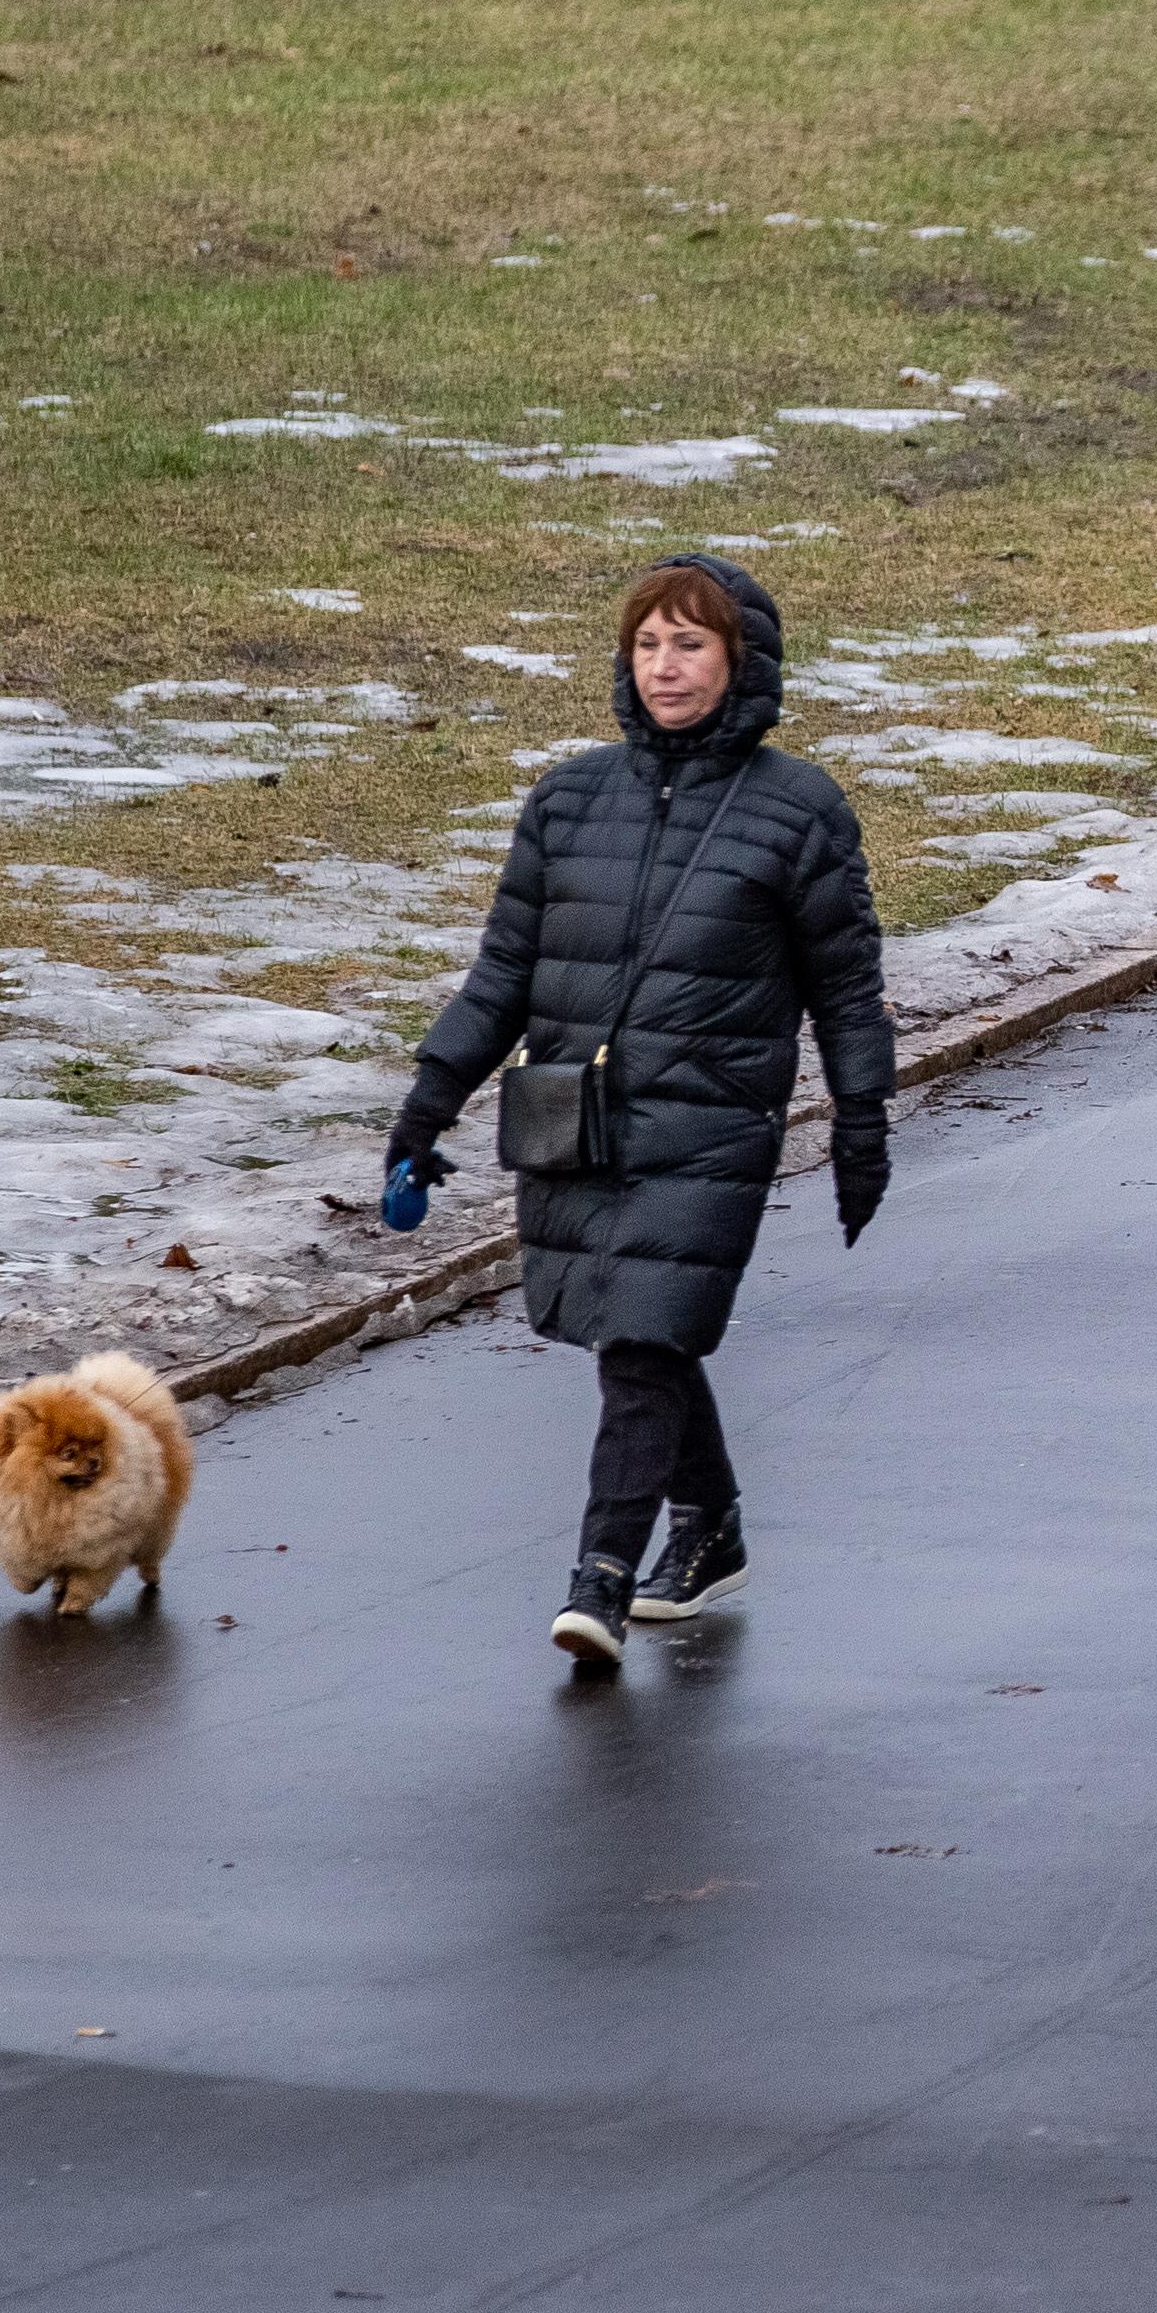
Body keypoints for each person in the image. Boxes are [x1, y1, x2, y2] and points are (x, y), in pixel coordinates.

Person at [387, 555, 896, 1672]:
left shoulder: (798, 812)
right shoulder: (568, 800)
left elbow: (847, 989)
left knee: (644, 1342)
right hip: (576, 1120)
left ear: (741, 662)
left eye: (691, 645)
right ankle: (707, 1531)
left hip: (709, 1128)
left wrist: (863, 1121)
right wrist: (430, 1102)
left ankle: (601, 1578)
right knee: (638, 1336)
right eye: (649, 644)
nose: (665, 668)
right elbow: (504, 974)